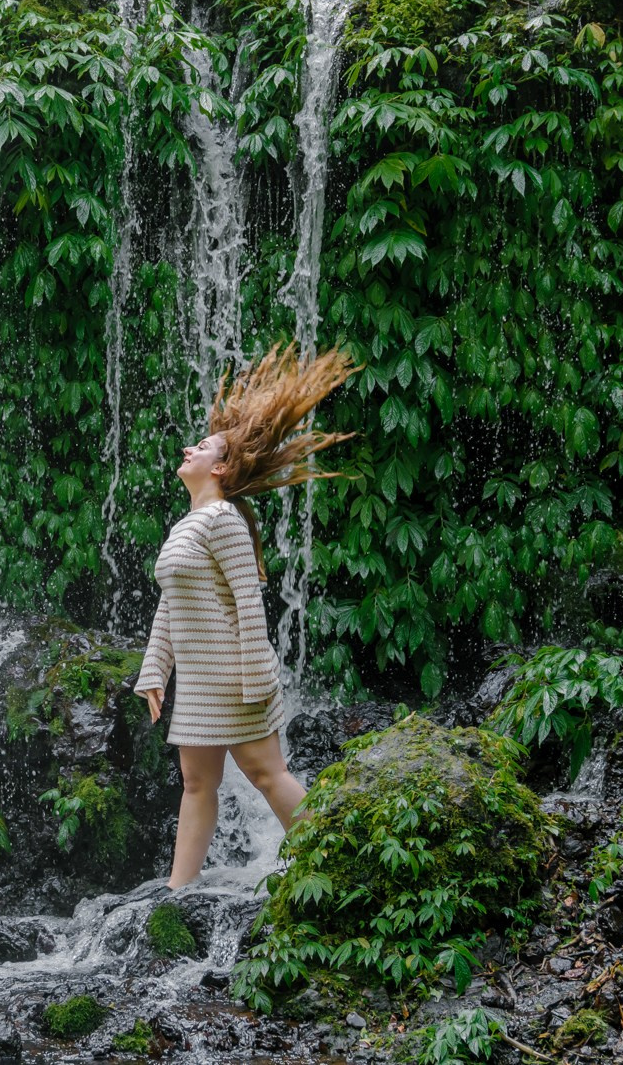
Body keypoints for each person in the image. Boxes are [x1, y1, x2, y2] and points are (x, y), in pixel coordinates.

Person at [133, 342, 360, 888]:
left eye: (202, 446)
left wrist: (257, 675)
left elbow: (248, 603)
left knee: (267, 773)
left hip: (235, 678)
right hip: (200, 682)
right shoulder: (186, 526)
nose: (190, 448)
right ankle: (176, 892)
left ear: (222, 466)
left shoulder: (226, 521)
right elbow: (172, 601)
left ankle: (337, 869)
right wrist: (153, 670)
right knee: (195, 783)